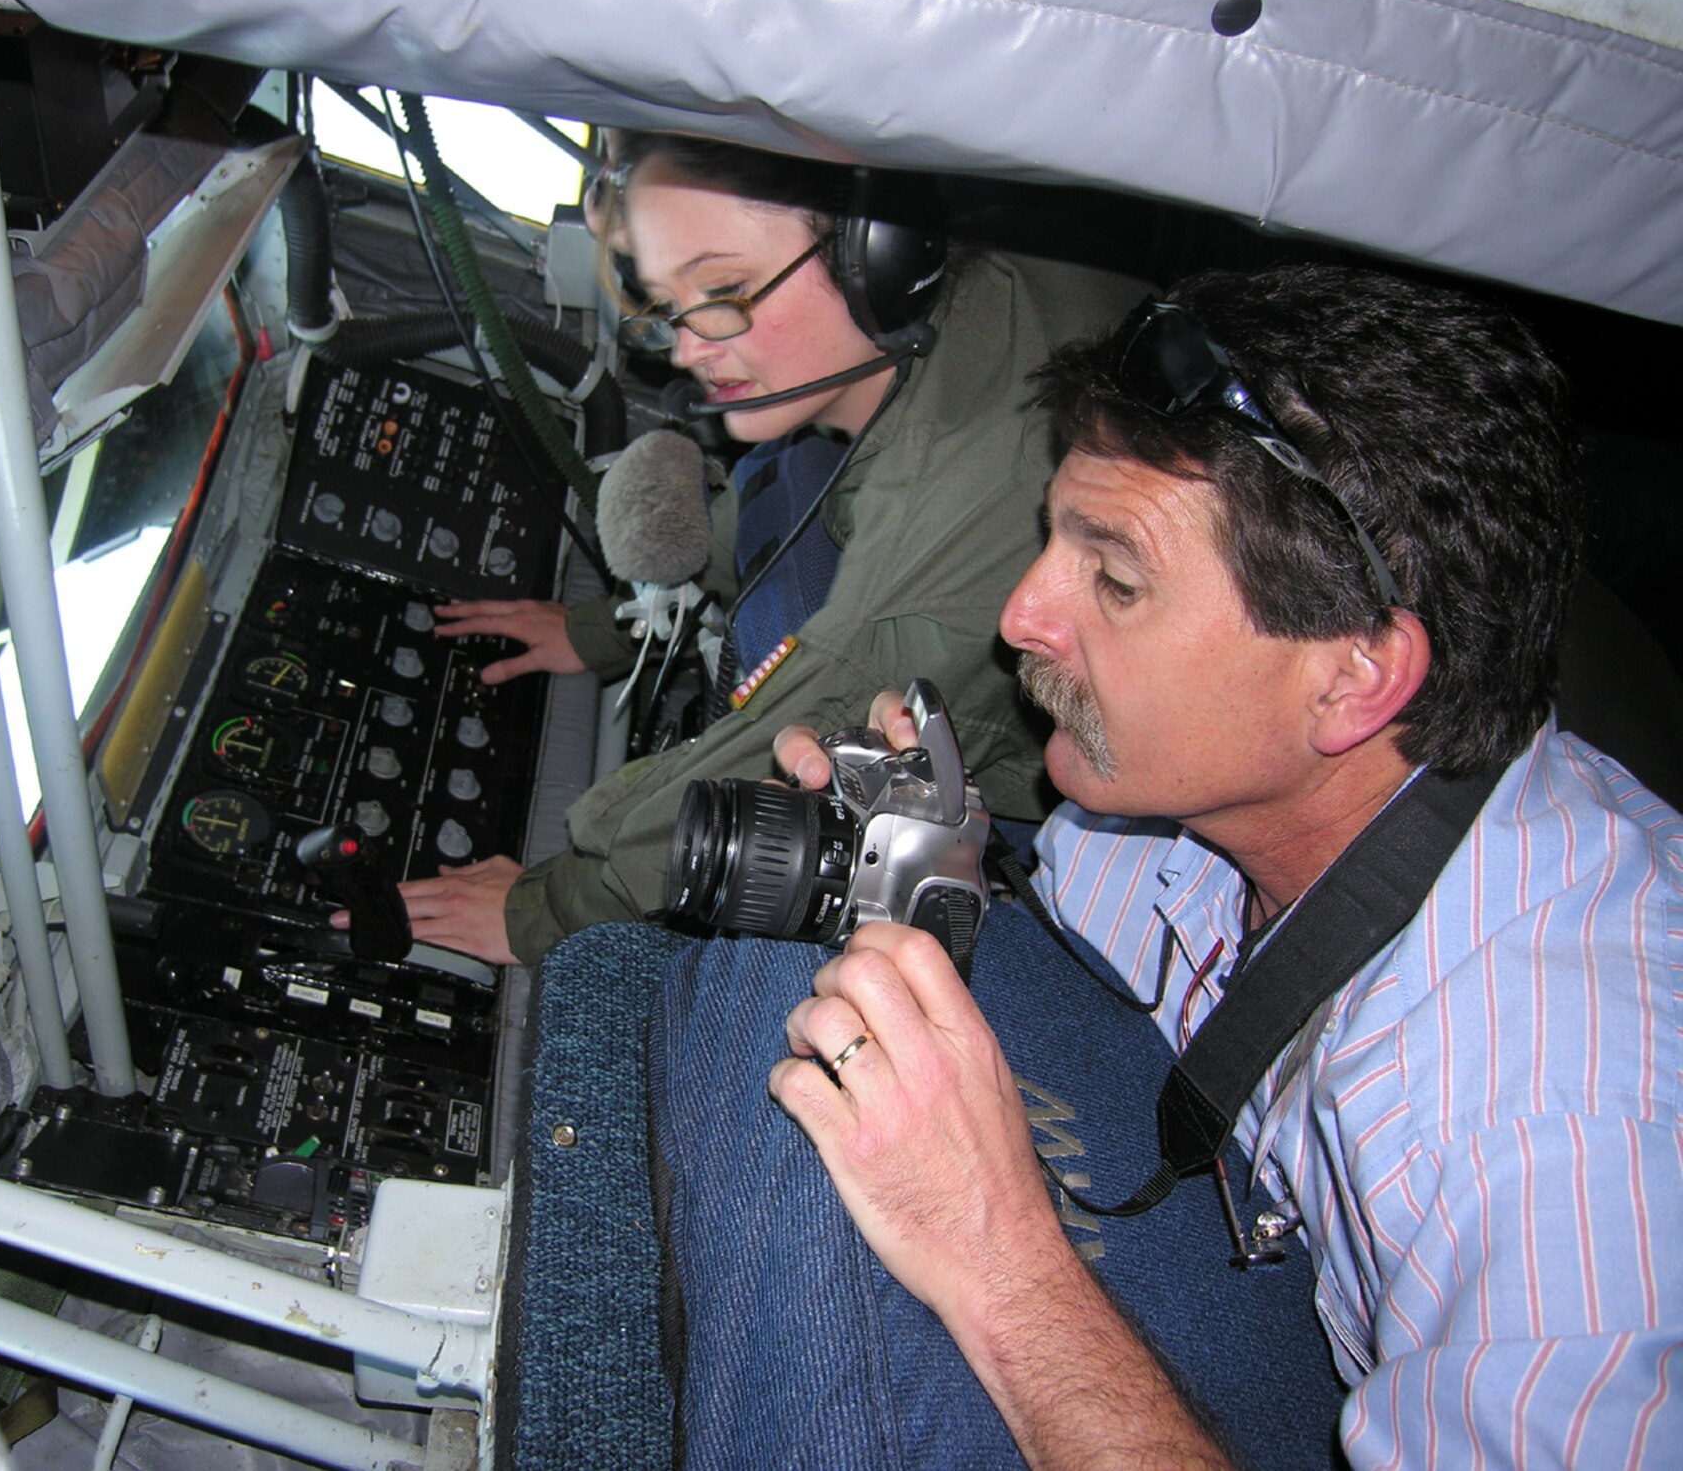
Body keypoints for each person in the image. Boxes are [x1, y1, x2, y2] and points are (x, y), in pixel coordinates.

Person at [662, 263, 1682, 1465]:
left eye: (1116, 579)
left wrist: (999, 1253)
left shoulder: (1558, 1142)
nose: (1021, 616)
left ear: (1352, 676)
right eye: (1054, 539)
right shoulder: (1184, 805)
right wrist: (935, 854)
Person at [375, 132, 1147, 966]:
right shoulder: (958, 287)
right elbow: (808, 496)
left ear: (877, 256)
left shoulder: (908, 589)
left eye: (726, 290)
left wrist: (541, 911)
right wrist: (605, 632)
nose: (686, 348)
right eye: (668, 301)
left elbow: (736, 786)